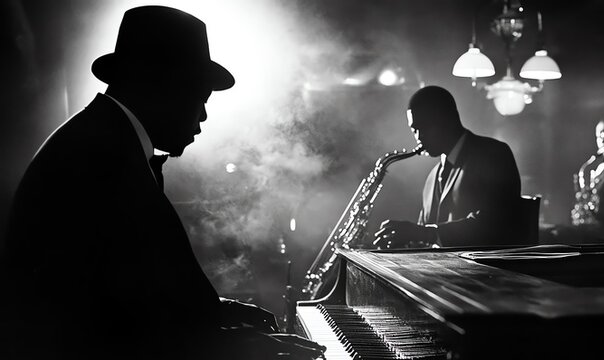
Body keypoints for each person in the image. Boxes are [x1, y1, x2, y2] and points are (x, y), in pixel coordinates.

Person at [0, 6, 321, 360]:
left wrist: (216, 310)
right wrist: (237, 346)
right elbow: (100, 327)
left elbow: (130, 292)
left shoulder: (103, 138)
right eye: (199, 99)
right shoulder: (100, 156)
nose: (202, 117)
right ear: (164, 85)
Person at [374, 85, 522, 248]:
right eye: (414, 129)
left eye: (424, 127)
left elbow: (494, 223)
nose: (418, 137)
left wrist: (422, 233)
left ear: (447, 118)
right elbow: (426, 241)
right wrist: (403, 243)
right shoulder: (432, 177)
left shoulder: (493, 153)